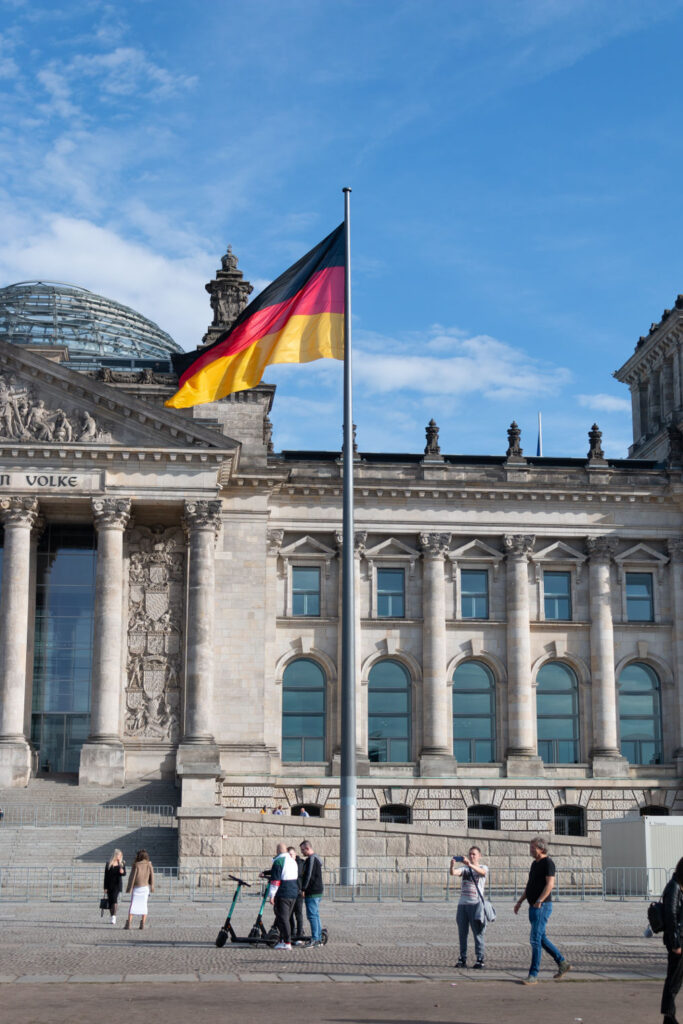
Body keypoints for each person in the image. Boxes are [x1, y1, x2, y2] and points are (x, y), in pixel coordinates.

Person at [514, 836, 571, 984]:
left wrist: (540, 900)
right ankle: (562, 963)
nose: (530, 850)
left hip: (542, 906)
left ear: (541, 848)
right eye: (530, 847)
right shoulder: (534, 864)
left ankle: (533, 975)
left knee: (535, 939)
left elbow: (550, 884)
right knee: (542, 938)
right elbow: (529, 885)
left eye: (533, 847)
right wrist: (520, 901)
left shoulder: (548, 862)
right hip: (533, 906)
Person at [450, 845, 488, 969]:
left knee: (478, 933)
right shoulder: (465, 869)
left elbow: (482, 873)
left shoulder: (483, 867)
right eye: (470, 854)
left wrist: (470, 865)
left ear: (479, 856)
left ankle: (480, 958)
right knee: (462, 933)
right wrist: (452, 865)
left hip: (476, 905)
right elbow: (454, 873)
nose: (471, 856)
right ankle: (462, 958)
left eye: (474, 854)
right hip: (463, 905)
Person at [661, 856, 683, 1024]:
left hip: (679, 939)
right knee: (673, 980)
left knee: (675, 980)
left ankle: (669, 1016)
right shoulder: (674, 887)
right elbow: (671, 916)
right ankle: (669, 1016)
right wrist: (675, 943)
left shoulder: (678, 887)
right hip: (677, 942)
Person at [266, 842, 299, 950]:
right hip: (293, 892)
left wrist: (272, 895)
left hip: (283, 892)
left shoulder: (279, 861)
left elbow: (275, 880)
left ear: (278, 851)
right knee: (286, 918)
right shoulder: (293, 861)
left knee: (283, 918)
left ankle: (287, 942)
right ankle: (282, 940)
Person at [300, 839, 324, 947]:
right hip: (317, 891)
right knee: (316, 915)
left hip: (313, 891)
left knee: (312, 916)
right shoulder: (316, 859)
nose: (302, 852)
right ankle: (318, 938)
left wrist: (303, 888)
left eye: (302, 850)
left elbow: (308, 875)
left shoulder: (312, 859)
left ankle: (315, 939)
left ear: (307, 848)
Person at [125, 849, 154, 931]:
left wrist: (129, 888)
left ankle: (129, 923)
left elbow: (132, 877)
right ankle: (143, 923)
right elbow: (152, 876)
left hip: (136, 887)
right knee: (144, 905)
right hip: (145, 887)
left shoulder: (136, 865)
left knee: (133, 904)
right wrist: (151, 886)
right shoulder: (149, 864)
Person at [287, 846, 306, 944]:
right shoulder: (286, 863)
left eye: (291, 854)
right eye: (288, 855)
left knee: (298, 914)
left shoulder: (300, 863)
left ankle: (299, 935)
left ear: (295, 854)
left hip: (298, 892)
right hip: (289, 892)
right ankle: (292, 934)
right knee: (289, 915)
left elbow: (298, 873)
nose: (290, 856)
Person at [103, 848, 126, 925]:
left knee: (114, 899)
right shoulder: (108, 864)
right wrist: (105, 887)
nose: (119, 857)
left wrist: (122, 871)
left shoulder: (122, 863)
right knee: (110, 901)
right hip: (109, 885)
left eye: (120, 855)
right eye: (118, 855)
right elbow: (106, 876)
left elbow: (124, 874)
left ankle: (114, 916)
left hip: (117, 885)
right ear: (115, 855)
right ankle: (112, 916)